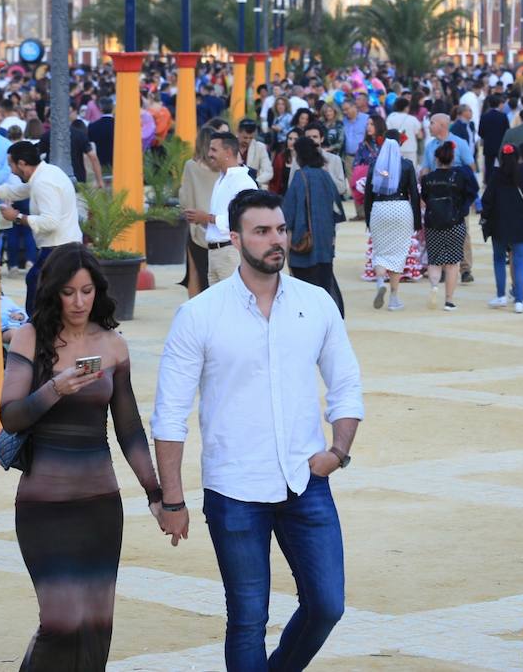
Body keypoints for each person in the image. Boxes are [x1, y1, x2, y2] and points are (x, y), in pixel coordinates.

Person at [152, 190, 363, 672]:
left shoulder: (316, 304)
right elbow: (169, 413)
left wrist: (339, 451)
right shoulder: (200, 314)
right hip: (234, 490)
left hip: (305, 480)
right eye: (262, 231)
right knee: (247, 619)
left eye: (281, 229)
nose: (276, 240)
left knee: (328, 604)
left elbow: (346, 383)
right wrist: (172, 499)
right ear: (235, 238)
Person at [1, 243, 162, 668]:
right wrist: (56, 388)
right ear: (54, 291)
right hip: (44, 506)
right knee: (61, 622)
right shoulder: (30, 338)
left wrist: (156, 493)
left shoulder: (112, 345)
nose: (78, 302)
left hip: (99, 506)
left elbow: (128, 428)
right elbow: (11, 416)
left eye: (87, 291)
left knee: (95, 623)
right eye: (69, 292)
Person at [0, 141, 84, 315]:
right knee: (41, 285)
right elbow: (22, 190)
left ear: (21, 163)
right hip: (65, 245)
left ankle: (35, 329)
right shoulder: (46, 173)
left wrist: (18, 217)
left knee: (37, 285)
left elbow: (51, 222)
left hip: (59, 248)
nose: (11, 171)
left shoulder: (43, 182)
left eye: (11, 165)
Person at [183, 131, 258, 285]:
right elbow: (221, 221)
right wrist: (200, 219)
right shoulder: (221, 179)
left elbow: (246, 222)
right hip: (214, 254)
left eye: (213, 150)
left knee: (233, 305)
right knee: (218, 307)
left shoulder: (243, 182)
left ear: (228, 152)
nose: (209, 154)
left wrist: (207, 218)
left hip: (230, 254)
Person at [283, 136, 346, 316]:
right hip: (325, 243)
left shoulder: (299, 177)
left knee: (303, 289)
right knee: (325, 285)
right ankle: (331, 318)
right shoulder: (325, 176)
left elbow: (289, 214)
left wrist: (287, 245)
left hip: (303, 243)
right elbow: (337, 209)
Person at [479, 144, 523, 313]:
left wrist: (485, 217)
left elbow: (487, 200)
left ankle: (501, 295)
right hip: (521, 224)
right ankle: (520, 299)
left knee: (499, 259)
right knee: (520, 261)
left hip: (499, 223)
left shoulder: (496, 175)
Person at [364, 137, 422, 311]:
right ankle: (394, 298)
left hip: (379, 208)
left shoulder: (375, 165)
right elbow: (414, 193)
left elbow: (368, 194)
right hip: (401, 208)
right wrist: (417, 220)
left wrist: (368, 218)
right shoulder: (406, 165)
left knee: (381, 252)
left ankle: (381, 281)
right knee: (398, 253)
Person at [420, 140, 478, 312]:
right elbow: (471, 194)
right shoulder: (460, 177)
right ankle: (449, 300)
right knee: (453, 263)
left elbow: (424, 198)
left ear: (436, 159)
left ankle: (434, 286)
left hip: (433, 223)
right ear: (453, 158)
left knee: (434, 260)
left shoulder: (427, 179)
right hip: (455, 222)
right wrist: (462, 210)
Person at [178, 124, 221, 297]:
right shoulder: (223, 170)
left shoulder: (191, 166)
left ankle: (196, 316)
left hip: (197, 230)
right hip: (219, 228)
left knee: (195, 274)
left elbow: (184, 199)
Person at [236, 119, 275, 190]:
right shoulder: (230, 146)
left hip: (252, 189)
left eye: (251, 138)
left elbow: (268, 172)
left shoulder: (260, 147)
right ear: (238, 132)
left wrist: (254, 181)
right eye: (245, 137)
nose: (248, 141)